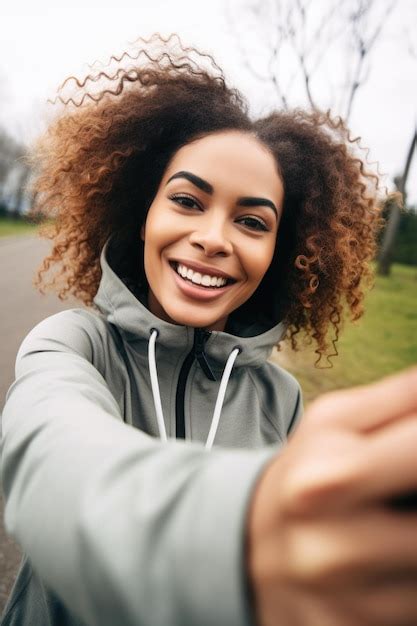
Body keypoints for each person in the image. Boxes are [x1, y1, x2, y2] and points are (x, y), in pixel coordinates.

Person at [1, 33, 416, 626]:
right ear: (144, 216)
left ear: (279, 250)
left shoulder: (284, 401)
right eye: (188, 202)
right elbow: (44, 465)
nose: (215, 238)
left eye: (251, 220)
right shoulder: (71, 344)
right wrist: (244, 535)